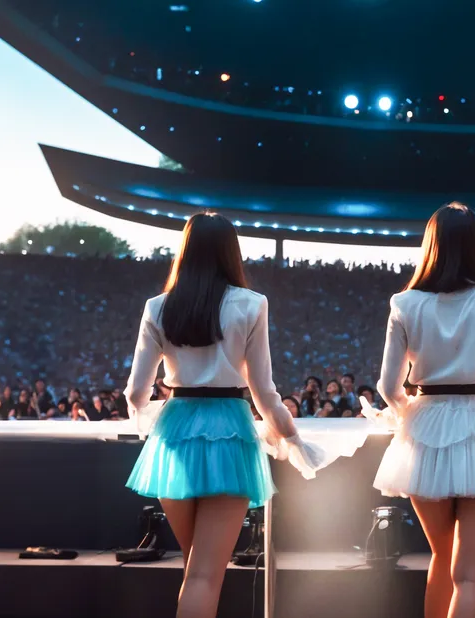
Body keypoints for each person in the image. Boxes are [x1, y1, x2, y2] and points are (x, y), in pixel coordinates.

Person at [123, 213, 324, 618]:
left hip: (173, 430)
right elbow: (264, 391)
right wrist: (293, 437)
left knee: (194, 568)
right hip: (229, 429)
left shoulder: (157, 308)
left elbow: (135, 392)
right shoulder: (251, 304)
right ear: (231, 252)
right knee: (205, 574)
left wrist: (145, 421)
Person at [365, 203, 475, 618]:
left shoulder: (404, 303)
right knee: (471, 576)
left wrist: (410, 413)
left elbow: (388, 388)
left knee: (442, 558)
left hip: (425, 428)